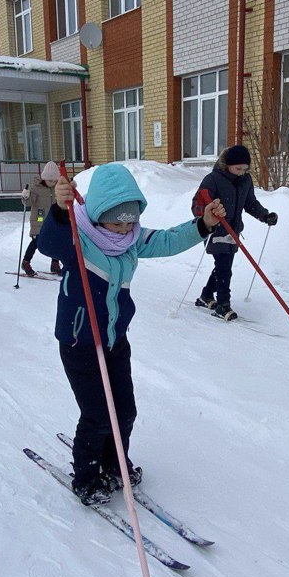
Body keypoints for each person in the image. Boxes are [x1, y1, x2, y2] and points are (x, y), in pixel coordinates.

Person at [38, 163, 226, 505]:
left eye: (130, 218)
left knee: (124, 410)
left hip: (113, 340)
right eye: (117, 220)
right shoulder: (76, 237)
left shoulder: (132, 239)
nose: (125, 227)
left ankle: (114, 464)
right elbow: (47, 243)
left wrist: (203, 225)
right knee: (96, 413)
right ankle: (87, 477)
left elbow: (167, 241)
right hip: (80, 342)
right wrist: (58, 210)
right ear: (96, 214)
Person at [191, 144, 278, 321]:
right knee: (224, 268)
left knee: (223, 266)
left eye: (245, 169)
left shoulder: (245, 180)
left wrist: (264, 215)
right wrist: (209, 212)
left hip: (233, 230)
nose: (241, 172)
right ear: (227, 164)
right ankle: (223, 305)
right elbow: (196, 205)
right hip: (215, 230)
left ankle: (206, 295)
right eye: (238, 168)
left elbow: (250, 203)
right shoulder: (213, 179)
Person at [21, 161, 62, 277]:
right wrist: (25, 197)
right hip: (39, 217)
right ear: (44, 178)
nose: (52, 183)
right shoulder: (36, 188)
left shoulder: (57, 187)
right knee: (37, 241)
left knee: (56, 241)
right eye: (50, 181)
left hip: (53, 218)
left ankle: (55, 264)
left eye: (55, 181)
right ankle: (26, 262)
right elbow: (28, 203)